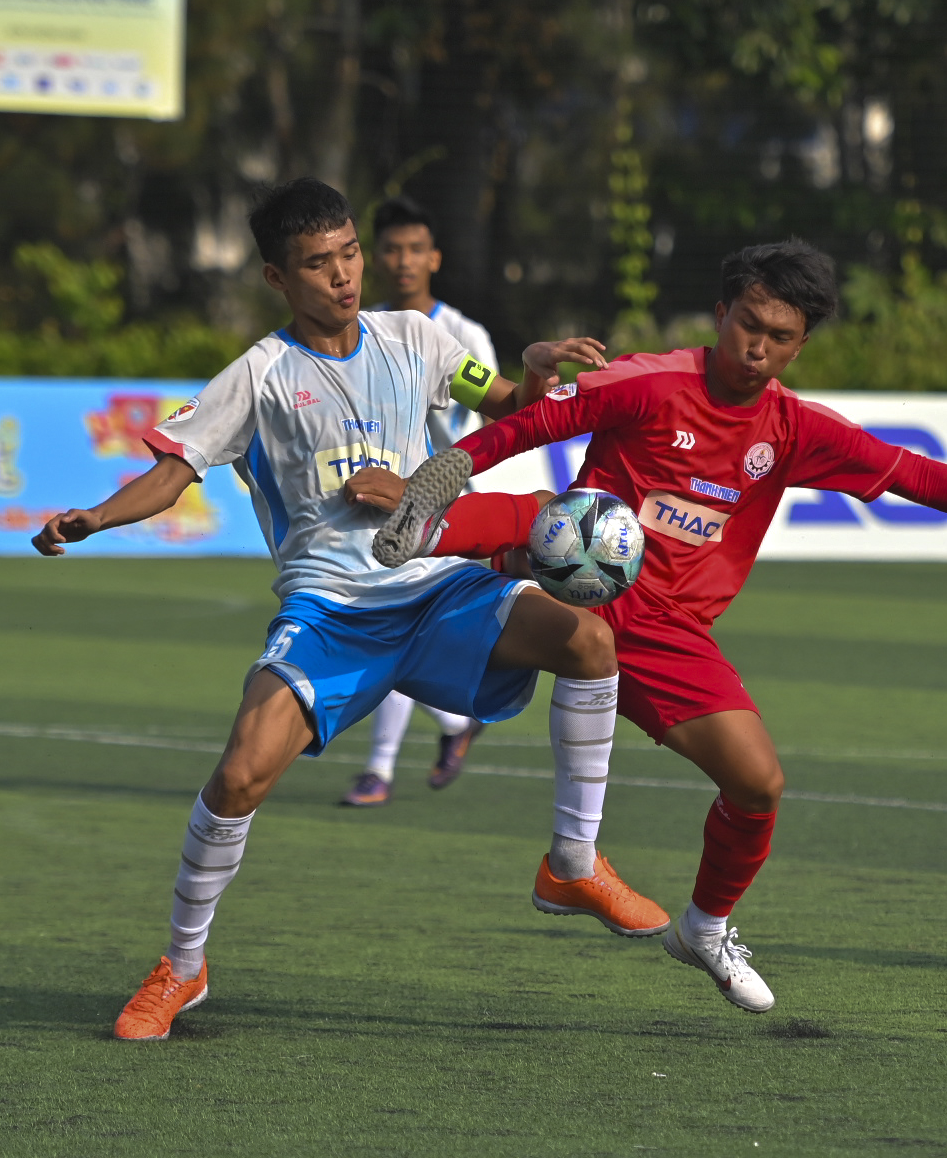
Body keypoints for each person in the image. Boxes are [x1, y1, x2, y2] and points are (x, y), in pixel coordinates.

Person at [368, 238, 947, 1013]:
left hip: (670, 633)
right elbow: (526, 428)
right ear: (721, 313)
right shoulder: (649, 383)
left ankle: (704, 929)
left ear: (802, 343)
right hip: (582, 581)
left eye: (780, 337)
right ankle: (435, 534)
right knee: (554, 526)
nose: (757, 348)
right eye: (747, 324)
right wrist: (443, 474)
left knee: (759, 785)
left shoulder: (793, 429)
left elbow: (913, 473)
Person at [32, 178, 668, 1042]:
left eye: (349, 254)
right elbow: (175, 468)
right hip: (331, 614)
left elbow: (509, 406)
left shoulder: (418, 337)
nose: (343, 276)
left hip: (440, 586)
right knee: (239, 777)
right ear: (275, 277)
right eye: (317, 264)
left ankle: (574, 862)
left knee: (589, 639)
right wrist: (97, 517)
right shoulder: (257, 375)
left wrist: (536, 371)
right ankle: (181, 968)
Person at [339, 194, 504, 808]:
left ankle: (379, 770)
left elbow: (497, 420)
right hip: (380, 503)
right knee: (398, 625)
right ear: (375, 257)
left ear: (434, 257)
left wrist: (442, 479)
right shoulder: (364, 332)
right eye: (392, 249)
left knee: (396, 620)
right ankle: (459, 725)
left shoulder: (463, 335)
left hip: (449, 507)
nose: (404, 260)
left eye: (415, 249)